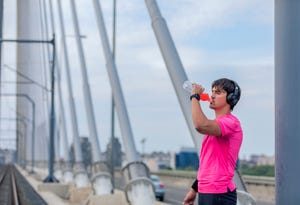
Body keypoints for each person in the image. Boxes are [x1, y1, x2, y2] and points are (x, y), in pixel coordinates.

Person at [182, 78, 243, 205]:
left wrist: (194, 96)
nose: (213, 95)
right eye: (213, 91)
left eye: (219, 92)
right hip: (207, 190)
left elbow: (200, 125)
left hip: (219, 192)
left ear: (231, 98)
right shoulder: (214, 127)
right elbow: (208, 164)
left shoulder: (231, 123)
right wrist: (194, 190)